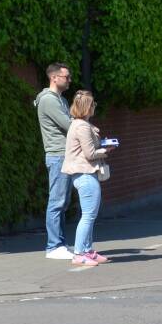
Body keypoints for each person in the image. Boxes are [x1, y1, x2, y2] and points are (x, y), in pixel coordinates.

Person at [61, 90, 114, 266]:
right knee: (88, 215)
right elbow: (90, 153)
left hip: (84, 173)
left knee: (89, 215)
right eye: (92, 104)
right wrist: (106, 150)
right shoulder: (82, 126)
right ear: (86, 107)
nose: (94, 107)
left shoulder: (79, 124)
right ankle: (79, 254)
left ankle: (88, 251)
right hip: (85, 173)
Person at [34, 63, 74, 260]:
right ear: (54, 78)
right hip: (58, 155)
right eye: (66, 76)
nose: (69, 80)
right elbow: (69, 125)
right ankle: (53, 246)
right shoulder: (49, 101)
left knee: (62, 201)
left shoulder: (61, 100)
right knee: (57, 201)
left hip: (63, 154)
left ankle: (60, 243)